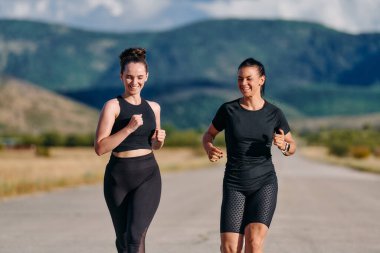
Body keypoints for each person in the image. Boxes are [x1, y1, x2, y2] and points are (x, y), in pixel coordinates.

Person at [202, 58, 296, 253]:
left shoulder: (274, 113)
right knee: (229, 248)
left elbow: (292, 145)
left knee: (254, 242)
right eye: (239, 79)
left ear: (261, 80)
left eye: (248, 79)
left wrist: (284, 146)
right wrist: (209, 147)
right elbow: (208, 134)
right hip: (235, 183)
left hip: (264, 183)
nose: (243, 83)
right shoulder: (228, 110)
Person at [94, 48, 166, 253]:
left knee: (135, 237)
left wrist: (159, 141)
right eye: (129, 77)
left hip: (148, 176)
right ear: (121, 76)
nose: (134, 82)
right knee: (124, 241)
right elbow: (100, 147)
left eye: (140, 77)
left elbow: (154, 146)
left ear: (147, 77)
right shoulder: (113, 106)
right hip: (118, 178)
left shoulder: (154, 107)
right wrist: (128, 129)